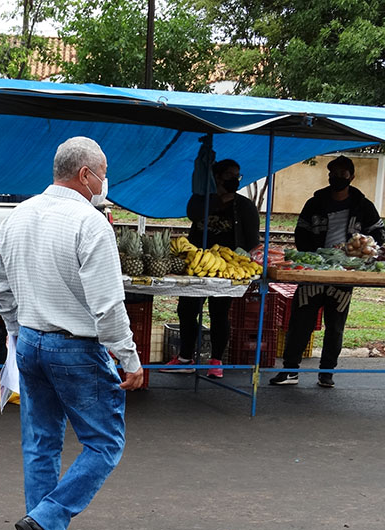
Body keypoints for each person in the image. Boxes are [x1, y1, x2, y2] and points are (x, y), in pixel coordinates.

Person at [0, 136, 144, 530]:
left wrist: (17, 332)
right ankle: (46, 520)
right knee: (105, 442)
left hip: (31, 342)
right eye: (103, 173)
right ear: (85, 174)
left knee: (41, 443)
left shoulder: (18, 215)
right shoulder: (90, 223)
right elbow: (108, 306)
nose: (105, 182)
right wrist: (129, 358)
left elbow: (0, 286)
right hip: (75, 348)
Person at [271, 156, 385, 388]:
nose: (337, 178)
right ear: (329, 175)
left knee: (335, 326)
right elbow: (301, 232)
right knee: (300, 323)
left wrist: (360, 253)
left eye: (343, 174)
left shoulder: (363, 206)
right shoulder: (315, 203)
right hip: (313, 273)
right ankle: (290, 371)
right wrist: (314, 257)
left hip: (343, 275)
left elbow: (378, 234)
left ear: (351, 177)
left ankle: (326, 373)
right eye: (334, 173)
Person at [160, 158, 260, 378]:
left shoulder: (244, 206)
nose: (235, 180)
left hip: (225, 270)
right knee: (187, 311)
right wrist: (215, 199)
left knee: (219, 314)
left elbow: (253, 241)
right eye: (230, 175)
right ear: (216, 177)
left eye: (237, 176)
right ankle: (185, 358)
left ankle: (216, 361)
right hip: (196, 267)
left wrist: (247, 264)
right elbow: (193, 213)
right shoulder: (200, 200)